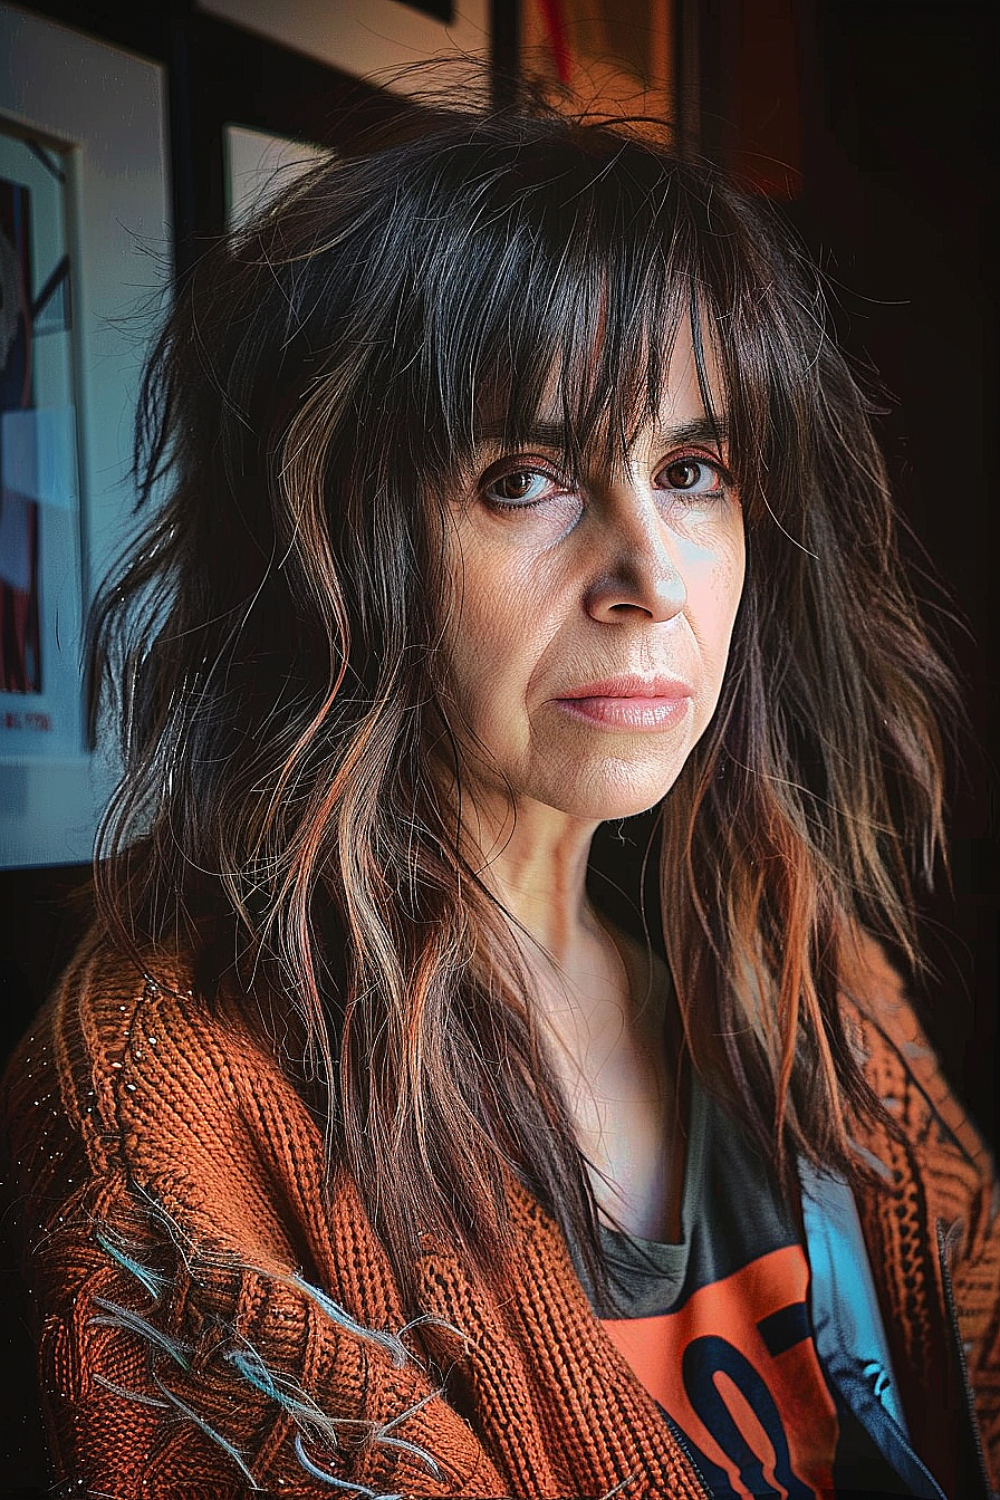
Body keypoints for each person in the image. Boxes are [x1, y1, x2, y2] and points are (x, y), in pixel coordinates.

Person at [1, 91, 997, 1500]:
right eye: (527, 476)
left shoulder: (808, 985)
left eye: (693, 470)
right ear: (331, 541)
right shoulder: (174, 1116)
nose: (649, 576)